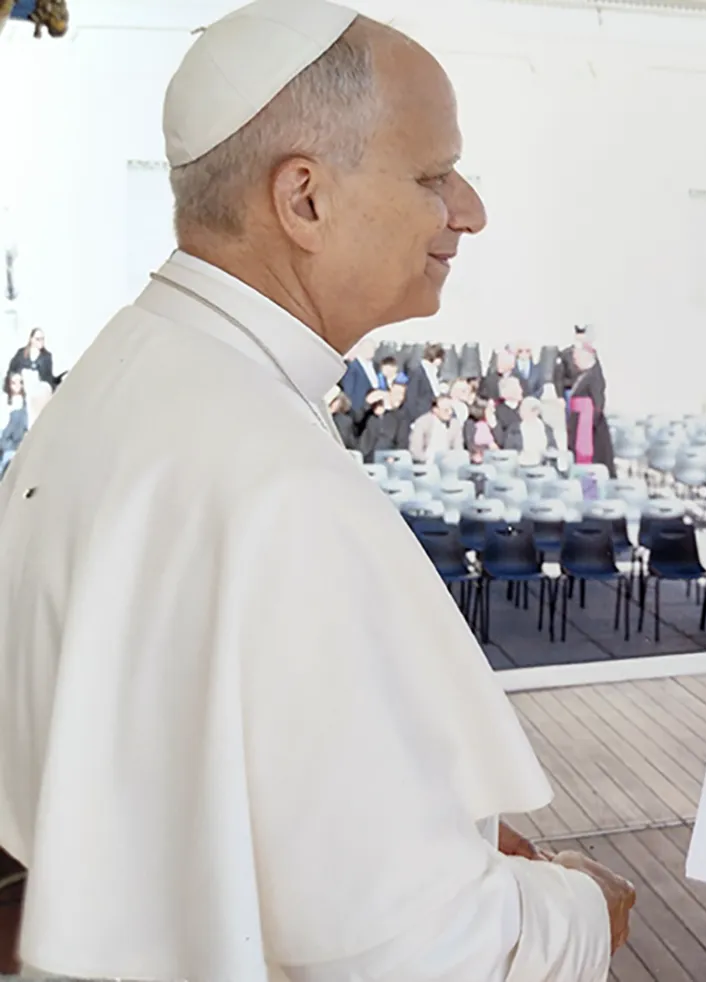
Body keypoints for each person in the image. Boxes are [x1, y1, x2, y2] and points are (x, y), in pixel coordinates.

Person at [0, 2, 634, 979]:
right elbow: (425, 958)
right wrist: (583, 907)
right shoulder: (273, 481)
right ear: (303, 200)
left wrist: (426, 826)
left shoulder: (124, 374)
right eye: (433, 175)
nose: (469, 210)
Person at [566, 345, 616, 477]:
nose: (574, 361)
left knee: (589, 463)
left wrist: (590, 421)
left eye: (576, 358)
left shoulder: (595, 376)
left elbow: (598, 402)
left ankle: (589, 488)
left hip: (588, 426)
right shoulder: (583, 375)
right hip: (578, 420)